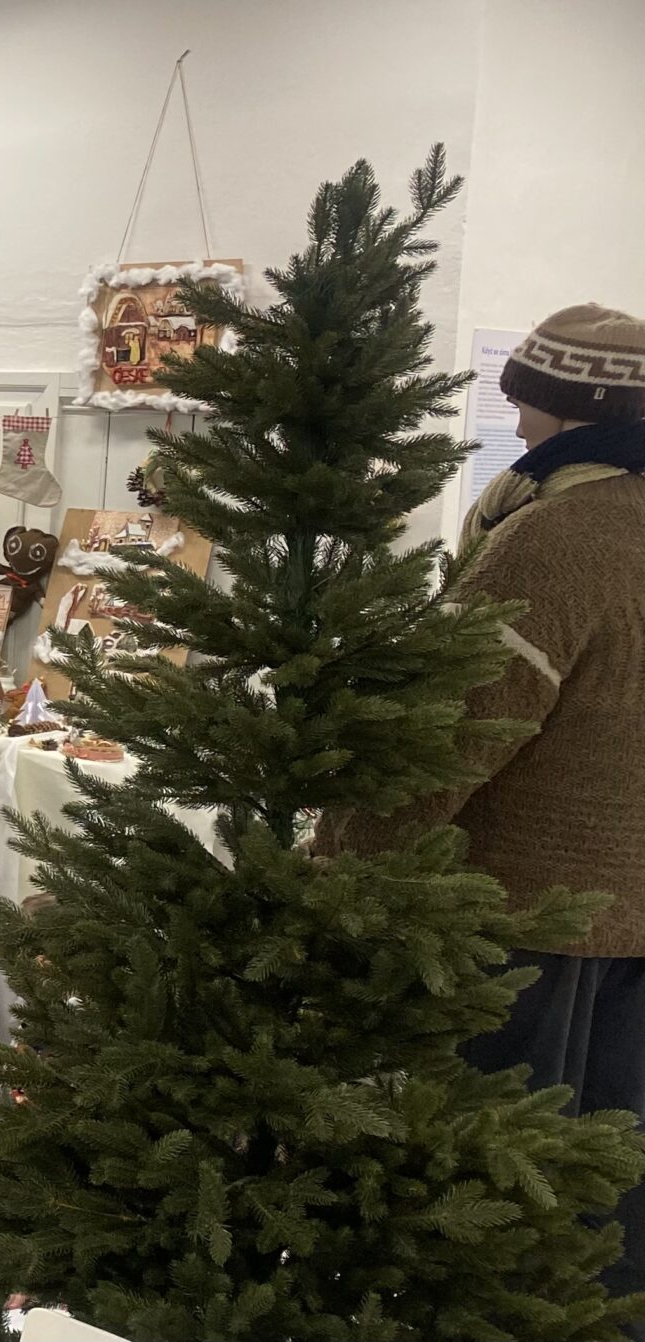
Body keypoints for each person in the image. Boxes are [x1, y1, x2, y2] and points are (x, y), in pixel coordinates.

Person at [321, 302, 645, 1316]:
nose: (515, 421)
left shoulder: (557, 537)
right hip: (630, 918)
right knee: (604, 1183)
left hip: (520, 917)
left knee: (486, 1184)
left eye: (525, 402)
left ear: (569, 410)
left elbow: (448, 732)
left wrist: (342, 866)